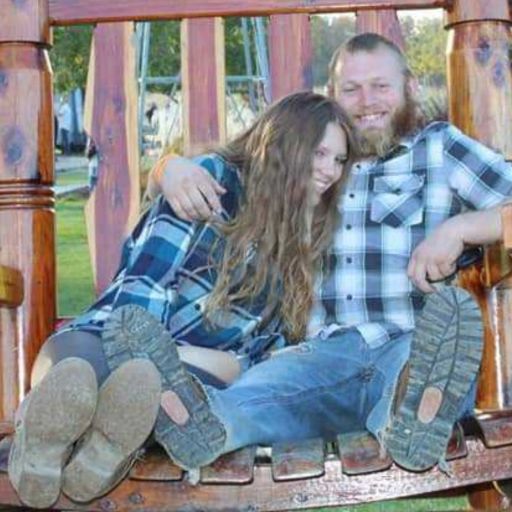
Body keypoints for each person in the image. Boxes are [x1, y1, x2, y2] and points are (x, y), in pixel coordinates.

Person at [140, 32, 512, 474]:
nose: (366, 101)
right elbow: (240, 161)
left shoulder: (439, 150)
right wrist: (169, 166)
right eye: (350, 89)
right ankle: (200, 425)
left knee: (417, 371)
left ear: (410, 87)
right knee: (256, 396)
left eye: (381, 86)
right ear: (332, 96)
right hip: (320, 355)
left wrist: (461, 228)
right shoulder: (316, 163)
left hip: (410, 341)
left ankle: (413, 414)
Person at [9, 91, 357, 508]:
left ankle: (61, 448)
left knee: (162, 397)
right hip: (115, 336)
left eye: (339, 160)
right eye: (320, 153)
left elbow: (271, 352)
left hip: (194, 377)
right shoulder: (213, 183)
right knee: (77, 368)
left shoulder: (313, 233)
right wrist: (147, 354)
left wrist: (206, 364)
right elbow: (146, 283)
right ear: (285, 143)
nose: (330, 171)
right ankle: (82, 445)